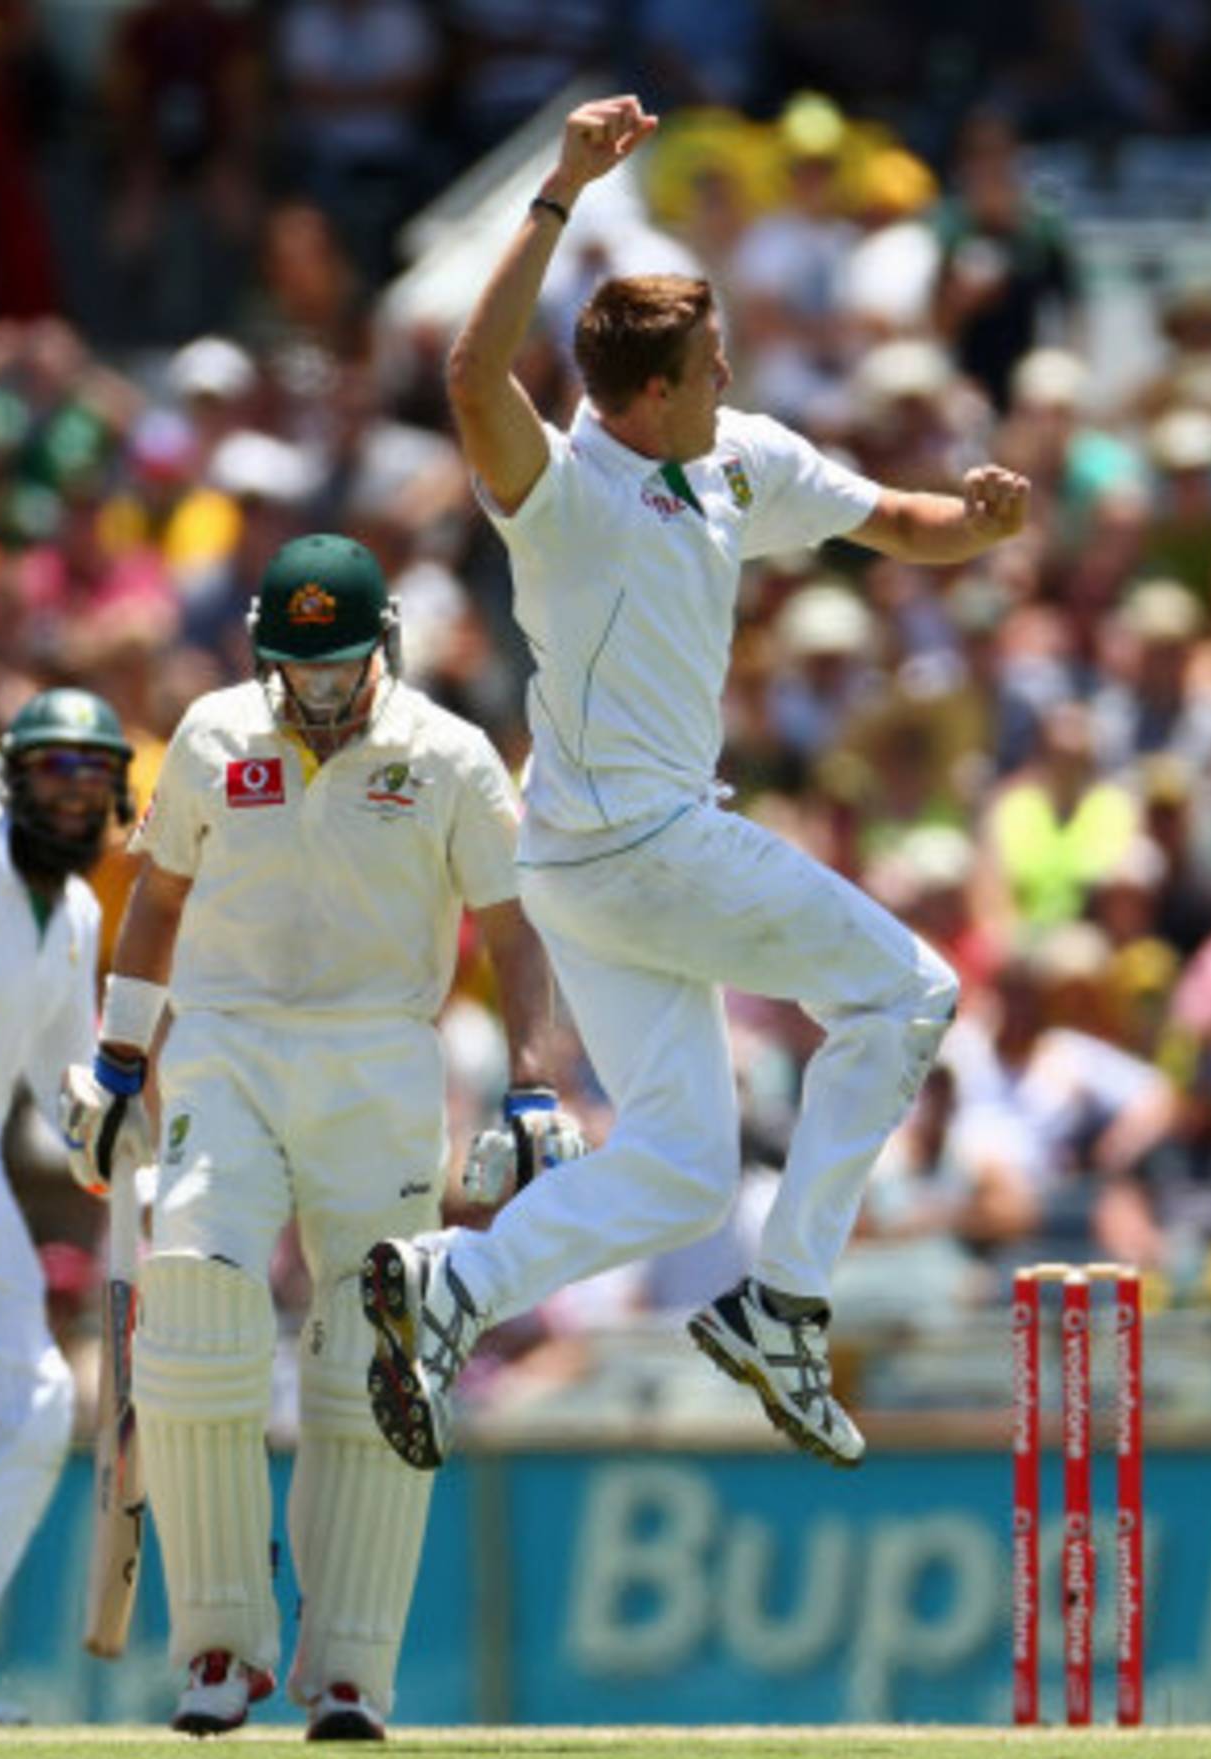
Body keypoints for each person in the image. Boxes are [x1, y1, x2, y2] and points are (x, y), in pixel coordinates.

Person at [360, 94, 1029, 1478]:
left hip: (590, 869)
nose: (731, 376)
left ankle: (452, 1284)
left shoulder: (734, 458)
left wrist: (977, 520)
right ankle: (785, 1304)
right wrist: (554, 188)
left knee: (677, 1168)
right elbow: (476, 375)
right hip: (639, 847)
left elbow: (892, 523)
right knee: (909, 992)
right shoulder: (562, 491)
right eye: (711, 364)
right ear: (649, 391)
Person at [60, 533, 581, 1739]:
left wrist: (533, 1085)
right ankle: (218, 1652)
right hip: (228, 1048)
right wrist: (119, 1053)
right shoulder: (209, 734)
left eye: (342, 662)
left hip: (379, 1058)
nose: (324, 688)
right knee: (191, 1303)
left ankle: (350, 1670)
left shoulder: (447, 755)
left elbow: (511, 929)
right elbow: (160, 897)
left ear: (381, 643)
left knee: (376, 1352)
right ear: (263, 648)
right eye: (302, 665)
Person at [0, 687, 133, 1724]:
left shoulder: (75, 912)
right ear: (8, 776)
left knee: (32, 1409)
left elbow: (70, 1085)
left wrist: (142, 1159)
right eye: (50, 771)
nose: (72, 796)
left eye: (92, 773)